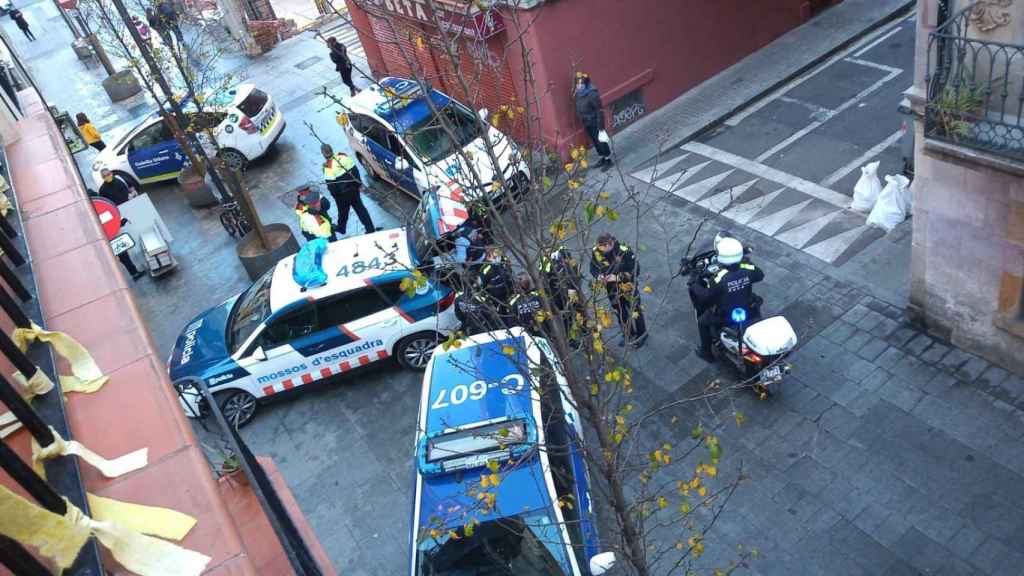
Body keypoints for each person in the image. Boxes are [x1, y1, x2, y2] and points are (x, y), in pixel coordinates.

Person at [688, 237, 764, 363]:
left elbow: (706, 295)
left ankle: (706, 353)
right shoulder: (748, 268)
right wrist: (747, 264)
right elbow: (760, 275)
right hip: (749, 309)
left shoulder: (719, 278)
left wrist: (693, 283)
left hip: (725, 316)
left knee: (702, 322)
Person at [590, 233, 647, 347]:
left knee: (635, 310)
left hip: (628, 286)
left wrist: (618, 277)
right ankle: (628, 333)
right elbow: (593, 267)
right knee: (620, 312)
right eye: (600, 249)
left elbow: (636, 269)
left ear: (610, 244)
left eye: (603, 249)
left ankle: (642, 334)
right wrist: (598, 276)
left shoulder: (624, 250)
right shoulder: (597, 251)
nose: (602, 252)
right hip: (612, 289)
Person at [94, 171, 144, 280]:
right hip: (115, 221)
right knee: (122, 252)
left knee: (123, 252)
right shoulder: (103, 191)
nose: (108, 177)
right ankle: (134, 272)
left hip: (126, 210)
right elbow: (109, 210)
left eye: (108, 174)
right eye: (105, 176)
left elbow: (129, 186)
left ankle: (134, 272)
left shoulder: (119, 180)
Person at [321, 144, 375, 236]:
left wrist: (336, 197)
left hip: (342, 195)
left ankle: (341, 228)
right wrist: (359, 184)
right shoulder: (343, 156)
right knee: (360, 209)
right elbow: (355, 171)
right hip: (353, 189)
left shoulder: (328, 168)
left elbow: (332, 187)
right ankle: (370, 228)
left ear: (323, 153)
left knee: (342, 212)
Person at [542, 246, 583, 347]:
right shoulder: (544, 263)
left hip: (570, 288)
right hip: (558, 293)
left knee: (578, 309)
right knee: (566, 315)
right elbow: (546, 280)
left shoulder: (562, 252)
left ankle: (584, 329)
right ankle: (570, 338)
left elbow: (573, 269)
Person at [574, 73, 611, 171]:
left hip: (595, 122)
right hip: (587, 122)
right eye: (577, 84)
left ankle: (608, 160)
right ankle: (602, 158)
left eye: (581, 84)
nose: (579, 86)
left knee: (601, 141)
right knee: (595, 141)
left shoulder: (592, 94)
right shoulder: (578, 93)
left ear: (586, 84)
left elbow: (599, 110)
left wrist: (601, 126)